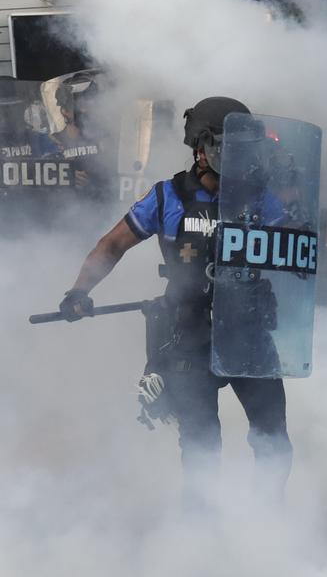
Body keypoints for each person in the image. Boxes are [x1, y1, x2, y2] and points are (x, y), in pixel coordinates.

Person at [58, 97, 293, 504]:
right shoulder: (167, 198)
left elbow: (295, 254)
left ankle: (267, 526)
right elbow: (113, 244)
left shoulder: (259, 199)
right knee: (202, 450)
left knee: (274, 441)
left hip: (249, 334)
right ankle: (199, 538)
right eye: (228, 144)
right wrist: (79, 291)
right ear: (201, 148)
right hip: (189, 337)